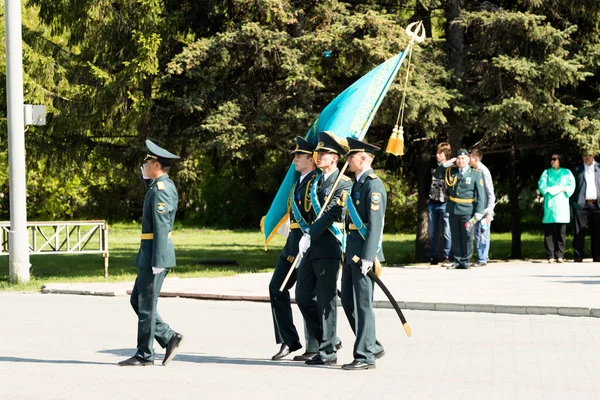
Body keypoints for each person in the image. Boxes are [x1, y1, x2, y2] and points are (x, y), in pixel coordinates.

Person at [119, 139, 183, 366]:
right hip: (149, 254)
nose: (143, 165)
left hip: (155, 255)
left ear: (156, 165)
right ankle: (168, 337)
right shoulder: (157, 188)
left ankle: (145, 354)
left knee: (146, 305)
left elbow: (161, 226)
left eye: (146, 161)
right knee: (138, 300)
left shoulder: (163, 190)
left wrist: (157, 260)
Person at [295, 131, 351, 366]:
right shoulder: (316, 181)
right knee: (303, 296)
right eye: (318, 153)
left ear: (335, 158)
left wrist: (311, 233)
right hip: (311, 245)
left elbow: (334, 213)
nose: (319, 156)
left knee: (326, 299)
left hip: (329, 245)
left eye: (324, 153)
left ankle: (327, 352)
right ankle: (330, 338)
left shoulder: (344, 182)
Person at [268, 136, 319, 361]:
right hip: (292, 244)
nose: (295, 160)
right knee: (276, 288)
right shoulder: (299, 181)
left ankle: (319, 343)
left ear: (311, 158)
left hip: (308, 244)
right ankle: (289, 341)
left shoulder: (317, 181)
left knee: (309, 296)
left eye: (299, 156)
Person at [340, 137, 386, 371]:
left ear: (364, 158)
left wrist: (369, 256)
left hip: (364, 255)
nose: (347, 160)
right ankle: (373, 345)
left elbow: (376, 224)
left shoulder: (373, 185)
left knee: (362, 305)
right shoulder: (357, 183)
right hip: (352, 252)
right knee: (348, 300)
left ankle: (365, 355)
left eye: (351, 156)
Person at [435, 149, 485, 270]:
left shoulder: (475, 174)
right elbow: (437, 174)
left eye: (463, 159)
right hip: (453, 209)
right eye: (458, 158)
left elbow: (481, 195)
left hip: (468, 210)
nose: (460, 161)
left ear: (468, 160)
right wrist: (447, 163)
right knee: (455, 235)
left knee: (467, 236)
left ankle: (466, 260)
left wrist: (479, 212)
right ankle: (457, 260)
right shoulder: (451, 171)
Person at [538, 153, 575, 263]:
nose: (552, 161)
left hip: (562, 205)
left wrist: (564, 189)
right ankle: (550, 256)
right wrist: (549, 190)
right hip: (550, 205)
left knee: (561, 232)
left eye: (554, 159)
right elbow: (542, 185)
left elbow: (572, 185)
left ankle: (560, 255)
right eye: (551, 159)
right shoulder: (547, 172)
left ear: (560, 160)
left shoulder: (567, 172)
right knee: (549, 232)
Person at [570, 152, 600, 262]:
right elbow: (572, 186)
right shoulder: (576, 169)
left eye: (589, 155)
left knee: (597, 231)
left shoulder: (599, 168)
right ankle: (578, 255)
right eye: (584, 155)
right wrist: (573, 202)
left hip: (597, 204)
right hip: (581, 204)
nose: (587, 157)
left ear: (594, 155)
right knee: (578, 231)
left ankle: (597, 255)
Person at [469, 149, 496, 267]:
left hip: (484, 208)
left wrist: (490, 211)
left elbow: (490, 193)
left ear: (476, 159)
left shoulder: (484, 171)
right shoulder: (472, 170)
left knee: (483, 232)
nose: (468, 160)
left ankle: (482, 258)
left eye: (470, 157)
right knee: (477, 234)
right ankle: (480, 256)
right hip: (475, 207)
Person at [427, 142, 452, 265]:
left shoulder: (450, 168)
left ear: (445, 154)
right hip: (432, 202)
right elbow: (425, 182)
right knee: (432, 231)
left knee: (447, 231)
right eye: (437, 153)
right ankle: (434, 257)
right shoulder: (431, 166)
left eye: (440, 153)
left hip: (446, 202)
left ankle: (447, 255)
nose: (437, 155)